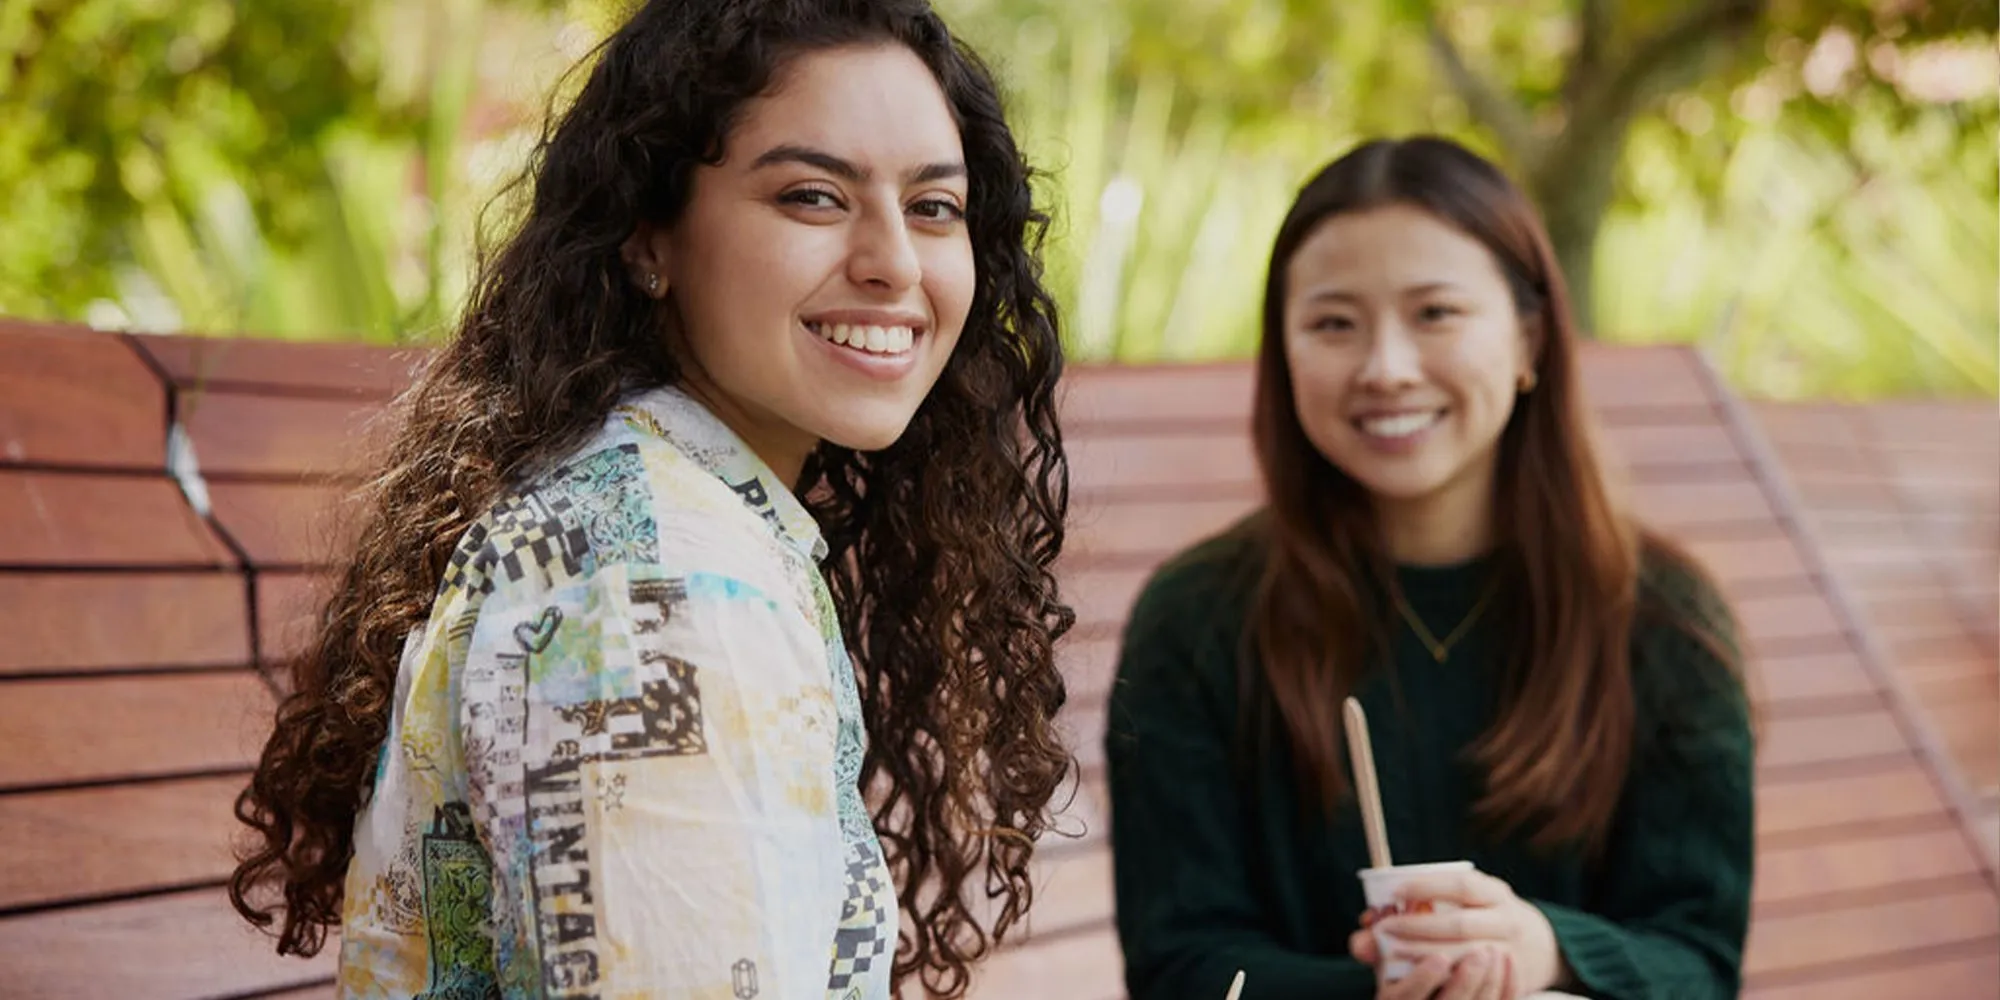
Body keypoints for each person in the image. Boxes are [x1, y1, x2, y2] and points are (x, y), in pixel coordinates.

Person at [228, 2, 1076, 997]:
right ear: (646, 240)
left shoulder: (658, 516)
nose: (893, 260)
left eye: (934, 207)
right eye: (811, 196)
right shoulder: (660, 596)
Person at [1104, 136, 1754, 1000]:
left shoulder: (1662, 618)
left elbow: (1698, 962)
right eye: (1334, 323)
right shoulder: (1196, 617)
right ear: (1284, 352)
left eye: (1436, 314)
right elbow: (1178, 961)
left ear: (1529, 342)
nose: (1386, 369)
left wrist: (1543, 949)